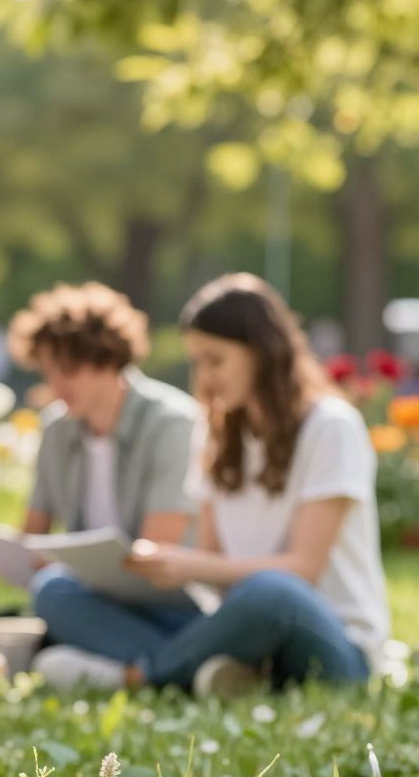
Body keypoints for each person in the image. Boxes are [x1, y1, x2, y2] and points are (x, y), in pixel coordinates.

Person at [44, 274, 386, 694]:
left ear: (263, 353)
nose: (204, 378)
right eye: (197, 362)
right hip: (240, 627)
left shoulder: (330, 426)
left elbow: (305, 569)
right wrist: (154, 571)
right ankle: (216, 672)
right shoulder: (216, 431)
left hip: (333, 642)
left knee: (271, 592)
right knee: (55, 591)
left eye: (216, 360)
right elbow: (213, 563)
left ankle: (139, 677)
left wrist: (190, 565)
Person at [0, 284, 201, 686]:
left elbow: (157, 554)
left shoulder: (171, 424)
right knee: (51, 594)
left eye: (68, 371)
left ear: (108, 360)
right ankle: (179, 667)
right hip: (91, 600)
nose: (56, 385)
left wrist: (64, 565)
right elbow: (32, 544)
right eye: (48, 371)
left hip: (167, 602)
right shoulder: (56, 430)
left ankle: (148, 668)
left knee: (55, 594)